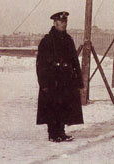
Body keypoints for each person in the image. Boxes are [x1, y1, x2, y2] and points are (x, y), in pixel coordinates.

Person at [36, 11, 84, 142]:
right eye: (61, 22)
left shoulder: (68, 39)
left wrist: (78, 80)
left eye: (65, 22)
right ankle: (53, 133)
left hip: (66, 78)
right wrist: (43, 83)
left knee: (64, 105)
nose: (63, 24)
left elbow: (75, 60)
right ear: (55, 23)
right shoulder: (47, 40)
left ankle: (61, 132)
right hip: (52, 78)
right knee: (52, 106)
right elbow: (40, 64)